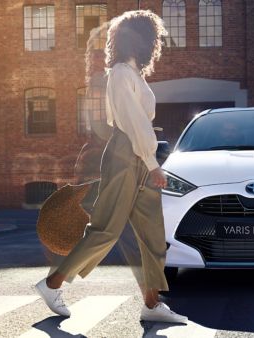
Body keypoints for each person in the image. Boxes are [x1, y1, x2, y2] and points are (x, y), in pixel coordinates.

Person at [33, 10, 187, 324]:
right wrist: (152, 163)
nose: (153, 42)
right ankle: (52, 284)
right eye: (150, 36)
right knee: (106, 230)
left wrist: (149, 161)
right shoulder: (120, 73)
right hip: (126, 153)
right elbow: (132, 123)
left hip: (140, 155)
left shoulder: (134, 74)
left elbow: (140, 122)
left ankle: (152, 303)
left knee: (152, 234)